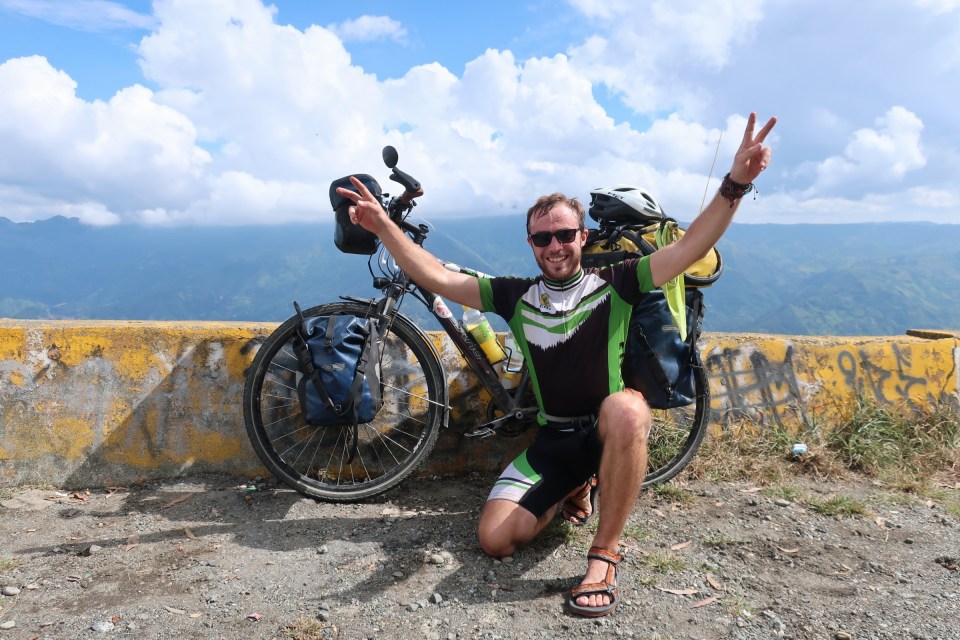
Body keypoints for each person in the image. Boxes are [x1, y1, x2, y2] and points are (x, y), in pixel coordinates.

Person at [337, 112, 777, 617]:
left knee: (628, 409)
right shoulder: (516, 296)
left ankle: (604, 555)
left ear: (582, 237)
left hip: (606, 430)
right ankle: (577, 483)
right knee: (495, 540)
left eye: (564, 234)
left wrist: (735, 183)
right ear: (530, 244)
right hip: (556, 441)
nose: (555, 246)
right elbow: (436, 276)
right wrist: (383, 226)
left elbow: (691, 245)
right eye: (542, 238)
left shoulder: (619, 281)